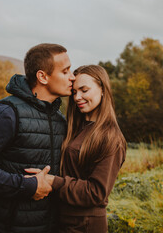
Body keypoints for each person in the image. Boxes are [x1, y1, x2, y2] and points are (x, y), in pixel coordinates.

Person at [0, 43, 75, 233]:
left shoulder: (59, 119)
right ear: (42, 76)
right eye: (65, 71)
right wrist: (26, 186)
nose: (73, 77)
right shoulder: (7, 112)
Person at [26, 65, 127, 232]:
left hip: (85, 225)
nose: (77, 97)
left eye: (84, 90)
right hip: (63, 219)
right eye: (74, 92)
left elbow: (96, 193)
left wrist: (53, 181)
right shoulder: (76, 127)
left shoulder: (110, 138)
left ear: (103, 89)